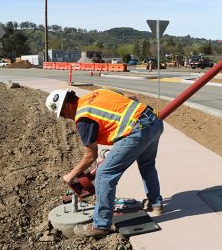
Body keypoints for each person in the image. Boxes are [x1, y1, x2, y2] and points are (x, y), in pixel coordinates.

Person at [45, 88, 164, 238]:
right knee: (147, 166)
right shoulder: (96, 93)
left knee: (104, 174)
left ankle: (100, 226)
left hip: (137, 131)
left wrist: (71, 174)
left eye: (62, 114)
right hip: (154, 121)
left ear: (68, 106)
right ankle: (156, 203)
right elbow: (126, 96)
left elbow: (91, 155)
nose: (65, 117)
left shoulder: (83, 117)